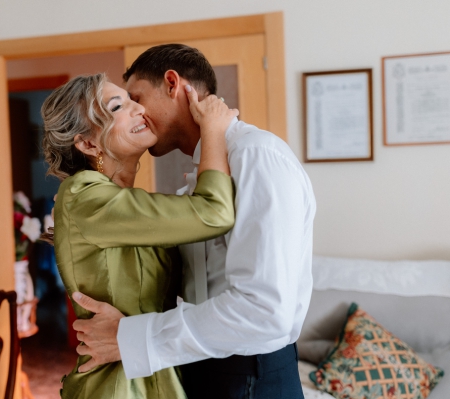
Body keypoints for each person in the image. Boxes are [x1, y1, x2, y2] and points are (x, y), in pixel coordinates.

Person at [71, 44, 316, 399]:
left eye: (136, 97)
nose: (136, 112)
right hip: (205, 369)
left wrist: (132, 338)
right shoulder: (196, 184)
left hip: (251, 377)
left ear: (172, 83)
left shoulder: (256, 156)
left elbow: (264, 310)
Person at [40, 72, 238, 398]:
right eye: (118, 105)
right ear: (88, 143)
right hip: (116, 385)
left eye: (135, 99)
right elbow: (214, 213)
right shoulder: (84, 195)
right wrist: (213, 131)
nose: (138, 109)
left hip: (152, 370)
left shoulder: (117, 201)